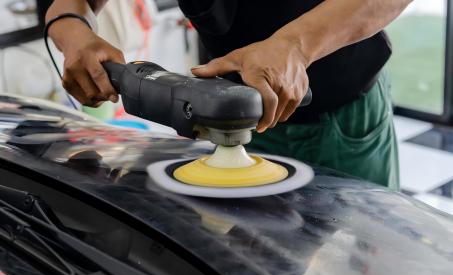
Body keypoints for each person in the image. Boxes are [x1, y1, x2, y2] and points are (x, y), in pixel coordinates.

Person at [46, 0, 412, 190]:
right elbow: (67, 5)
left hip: (340, 115)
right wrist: (74, 32)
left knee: (356, 274)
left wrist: (295, 46)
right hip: (227, 115)